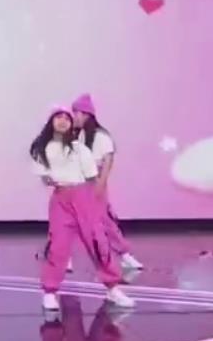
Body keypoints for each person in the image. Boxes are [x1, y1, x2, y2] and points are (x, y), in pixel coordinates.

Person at [31, 107, 134, 311]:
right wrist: (50, 179)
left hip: (83, 197)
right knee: (58, 246)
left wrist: (94, 202)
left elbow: (91, 177)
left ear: (71, 124)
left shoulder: (80, 149)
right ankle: (50, 292)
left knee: (98, 243)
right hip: (61, 200)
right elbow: (44, 176)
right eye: (58, 118)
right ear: (51, 122)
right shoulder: (42, 149)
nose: (62, 121)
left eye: (66, 118)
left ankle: (112, 288)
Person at [69, 94, 143, 272]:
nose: (74, 117)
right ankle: (64, 257)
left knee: (104, 222)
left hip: (93, 183)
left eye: (76, 113)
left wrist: (100, 184)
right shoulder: (78, 135)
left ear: (86, 114)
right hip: (77, 183)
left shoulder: (101, 137)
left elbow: (108, 161)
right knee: (70, 222)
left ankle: (124, 255)